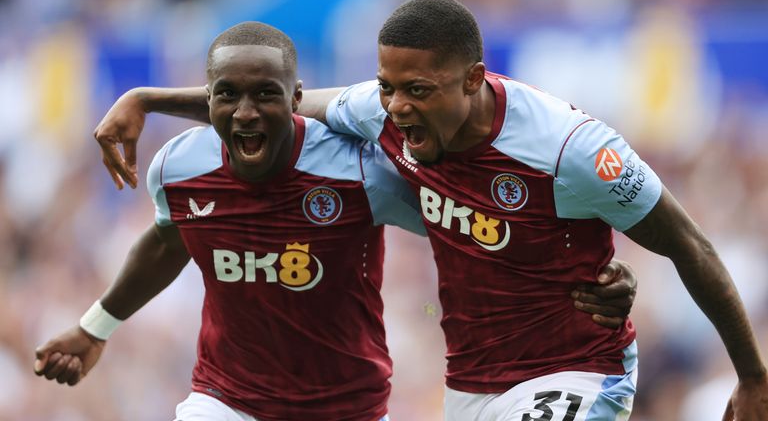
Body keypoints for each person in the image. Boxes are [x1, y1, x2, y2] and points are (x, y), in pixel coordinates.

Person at [34, 21, 637, 421]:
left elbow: (474, 224)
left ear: (296, 97)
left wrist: (585, 275)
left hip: (346, 405)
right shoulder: (178, 167)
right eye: (227, 96)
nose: (246, 113)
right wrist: (95, 328)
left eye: (266, 95)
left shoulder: (360, 170)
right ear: (208, 99)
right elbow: (170, 242)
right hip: (227, 399)